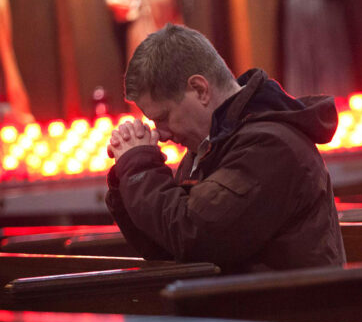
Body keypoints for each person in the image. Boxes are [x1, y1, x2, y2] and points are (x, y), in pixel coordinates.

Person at [105, 24, 346, 272]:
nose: (162, 134)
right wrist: (127, 176)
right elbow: (167, 245)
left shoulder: (270, 146)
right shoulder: (211, 146)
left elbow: (197, 235)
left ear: (200, 89)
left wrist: (139, 167)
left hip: (280, 308)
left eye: (163, 117)